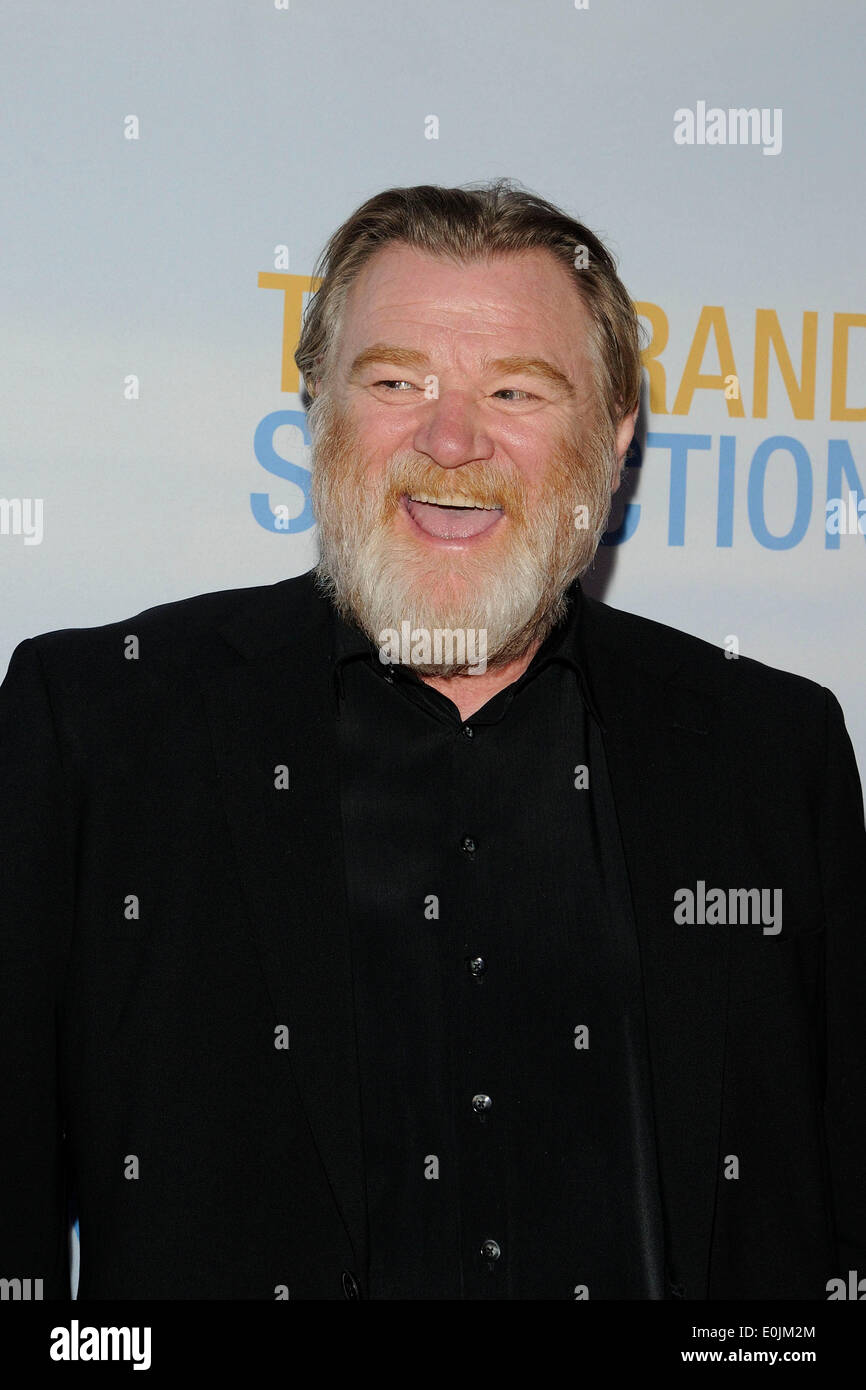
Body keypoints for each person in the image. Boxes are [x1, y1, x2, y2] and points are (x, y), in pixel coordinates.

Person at [1, 181, 863, 1301]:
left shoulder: (766, 750)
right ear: (317, 414)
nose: (449, 438)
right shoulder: (100, 722)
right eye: (395, 380)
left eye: (514, 389)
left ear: (612, 441)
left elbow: (831, 1214)